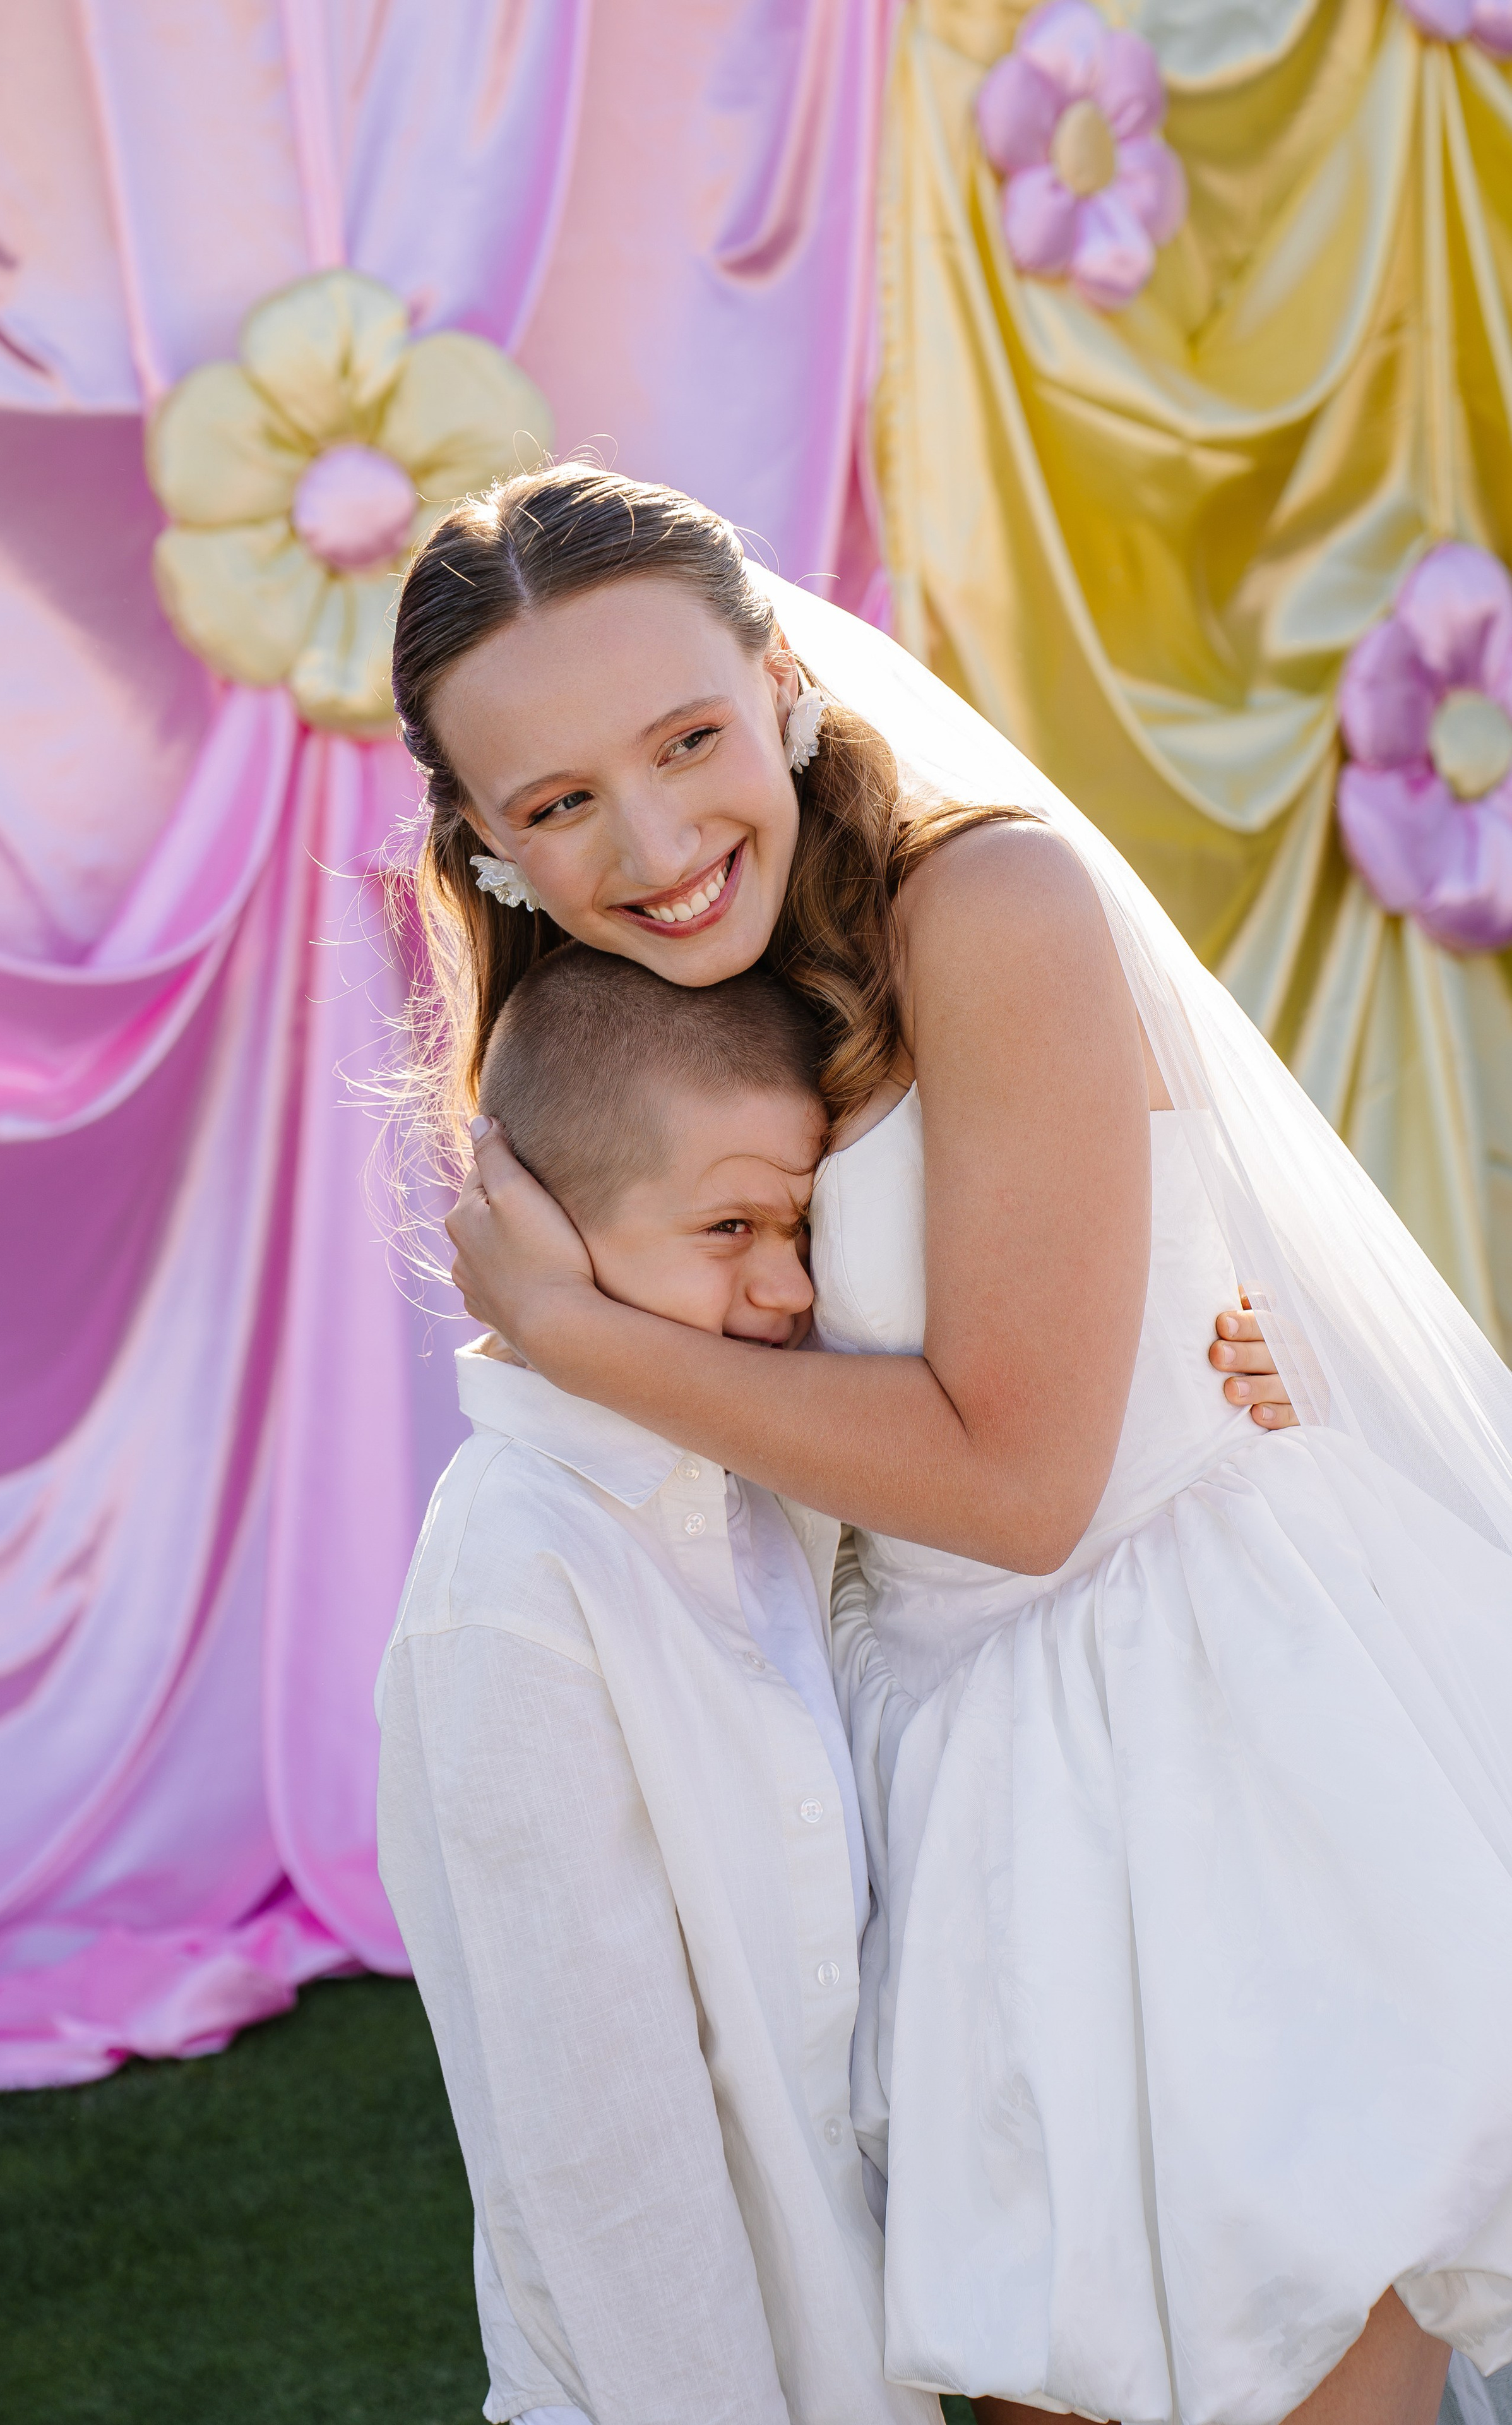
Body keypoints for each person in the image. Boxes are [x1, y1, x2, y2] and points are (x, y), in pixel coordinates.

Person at [391, 464, 1512, 2425]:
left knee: (1297, 2349)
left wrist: (577, 1333)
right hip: (921, 1745)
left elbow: (1026, 1478)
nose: (654, 840)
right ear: (479, 840)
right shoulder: (640, 1029)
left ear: (781, 680)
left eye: (686, 740)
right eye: (559, 802)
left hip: (1177, 1721)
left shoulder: (985, 900)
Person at [377, 946, 939, 2425]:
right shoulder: (516, 1586)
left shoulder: (758, 1485)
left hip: (856, 2336)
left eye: (801, 1225)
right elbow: (598, 2138)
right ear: (535, 1229)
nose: (788, 1281)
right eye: (730, 1225)